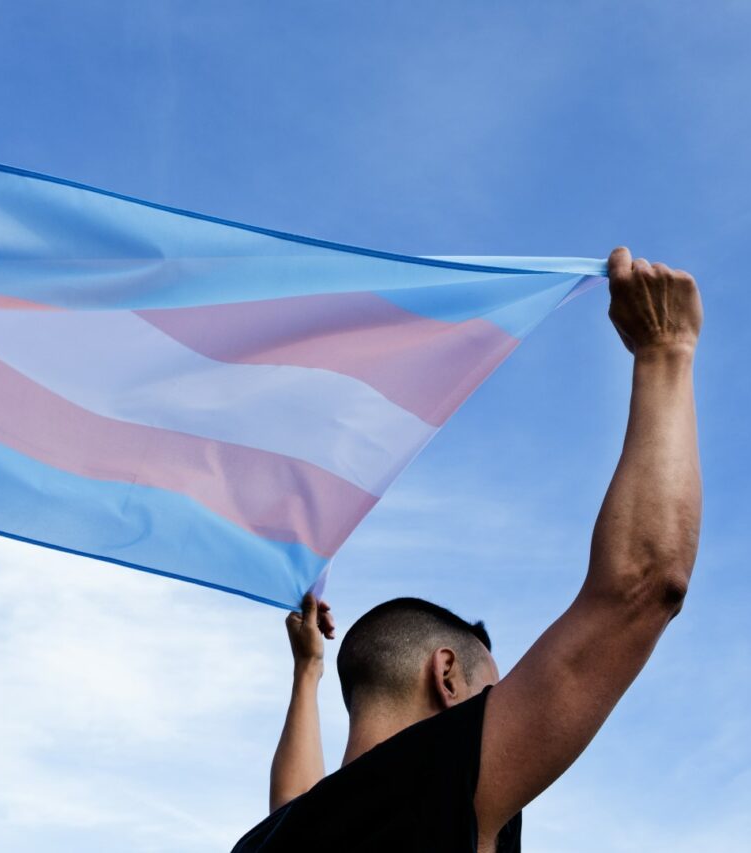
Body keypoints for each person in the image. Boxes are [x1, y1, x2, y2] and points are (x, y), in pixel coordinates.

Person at [232, 247, 703, 852]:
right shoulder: (427, 786)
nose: (505, 711)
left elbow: (295, 801)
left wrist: (308, 673)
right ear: (447, 675)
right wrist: (667, 352)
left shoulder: (275, 838)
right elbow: (644, 585)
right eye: (493, 693)